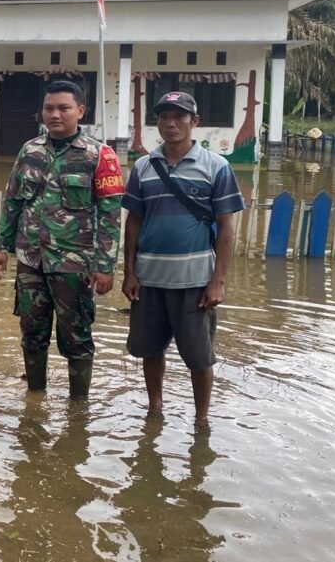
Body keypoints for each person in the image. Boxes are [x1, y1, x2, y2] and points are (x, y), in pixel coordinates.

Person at [0, 80, 124, 397]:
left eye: (64, 108)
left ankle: (78, 410)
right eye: (49, 108)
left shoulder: (100, 155)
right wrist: (1, 246)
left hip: (74, 265)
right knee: (31, 333)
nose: (55, 115)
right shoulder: (30, 151)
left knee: (76, 337)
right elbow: (13, 201)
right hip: (31, 261)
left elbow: (110, 216)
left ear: (81, 111)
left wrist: (105, 267)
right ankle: (34, 398)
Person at [121, 91, 244, 425]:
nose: (171, 124)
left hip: (195, 280)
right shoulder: (143, 167)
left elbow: (226, 228)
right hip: (149, 278)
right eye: (164, 117)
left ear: (195, 122)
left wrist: (218, 281)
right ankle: (155, 408)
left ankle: (201, 421)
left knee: (199, 356)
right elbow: (133, 222)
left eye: (179, 117)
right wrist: (129, 272)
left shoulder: (217, 167)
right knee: (149, 349)